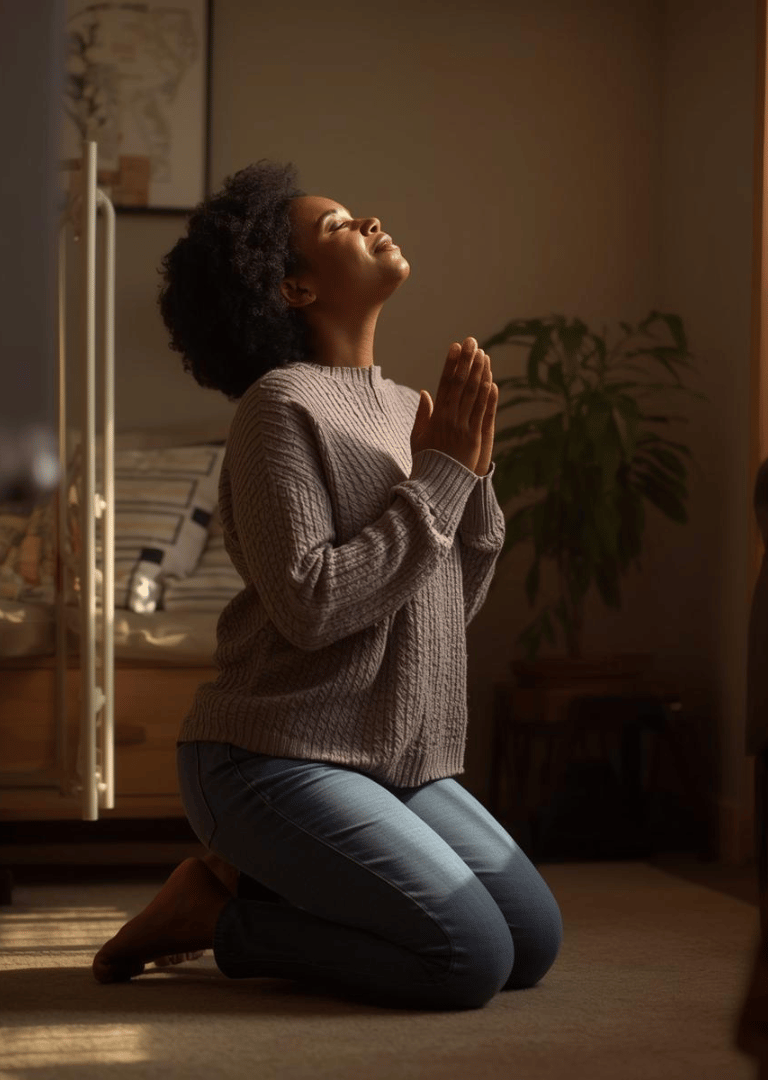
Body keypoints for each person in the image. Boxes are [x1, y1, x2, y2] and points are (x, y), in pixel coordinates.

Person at [92, 160, 563, 1011]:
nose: (370, 222)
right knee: (467, 959)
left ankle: (259, 890)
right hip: (271, 756)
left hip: (392, 761)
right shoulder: (278, 407)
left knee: (532, 943)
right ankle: (220, 915)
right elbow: (312, 604)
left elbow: (442, 614)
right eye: (339, 224)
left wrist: (470, 479)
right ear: (295, 287)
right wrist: (446, 476)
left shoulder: (402, 404)